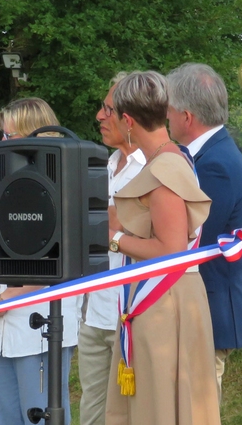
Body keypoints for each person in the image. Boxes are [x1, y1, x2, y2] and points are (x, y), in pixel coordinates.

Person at [104, 71, 221, 425]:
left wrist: (114, 239)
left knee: (160, 407)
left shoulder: (166, 166)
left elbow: (173, 250)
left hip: (166, 304)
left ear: (127, 120)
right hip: (163, 300)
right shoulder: (168, 158)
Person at [0, 97, 79, 425]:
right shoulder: (9, 188)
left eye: (10, 136)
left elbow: (52, 262)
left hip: (38, 326)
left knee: (39, 417)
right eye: (1, 136)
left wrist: (4, 299)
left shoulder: (59, 190)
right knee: (2, 418)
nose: (2, 143)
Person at [166, 62, 242, 401]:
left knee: (199, 410)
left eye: (170, 111)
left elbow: (192, 238)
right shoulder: (210, 155)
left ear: (187, 117)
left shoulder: (214, 165)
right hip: (201, 308)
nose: (166, 118)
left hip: (208, 312)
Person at [77, 74, 145, 425]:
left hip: (132, 315)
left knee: (127, 415)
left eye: (108, 109)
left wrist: (114, 223)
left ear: (129, 118)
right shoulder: (105, 164)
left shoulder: (153, 169)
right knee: (90, 410)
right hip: (95, 311)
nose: (99, 117)